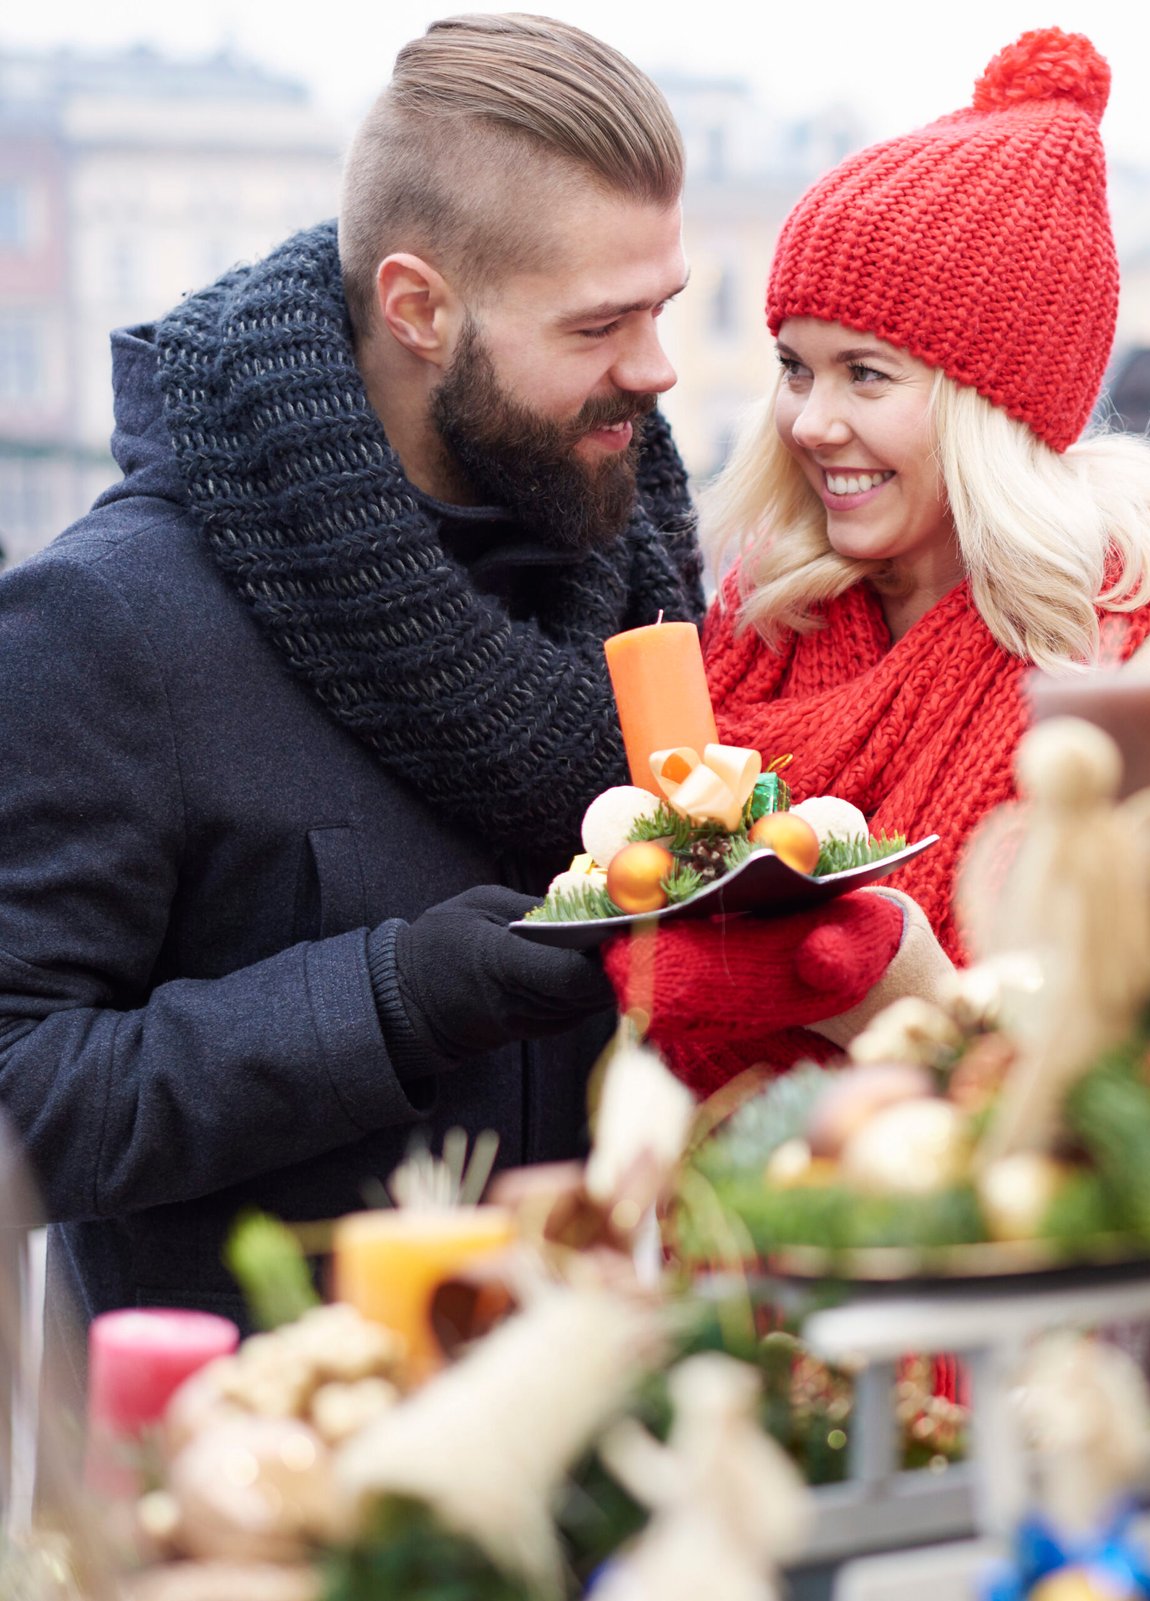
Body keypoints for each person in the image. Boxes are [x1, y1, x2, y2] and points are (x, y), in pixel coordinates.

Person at [0, 14, 704, 1329]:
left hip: (613, 1431)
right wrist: (381, 1002)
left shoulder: (636, 559)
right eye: (602, 323)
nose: (657, 369)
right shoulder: (106, 621)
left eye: (663, 307)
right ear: (418, 307)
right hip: (268, 1473)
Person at [607, 28, 1150, 1094]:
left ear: (992, 410)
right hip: (711, 1249)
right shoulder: (752, 646)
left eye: (865, 375)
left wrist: (894, 981)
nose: (810, 423)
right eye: (794, 367)